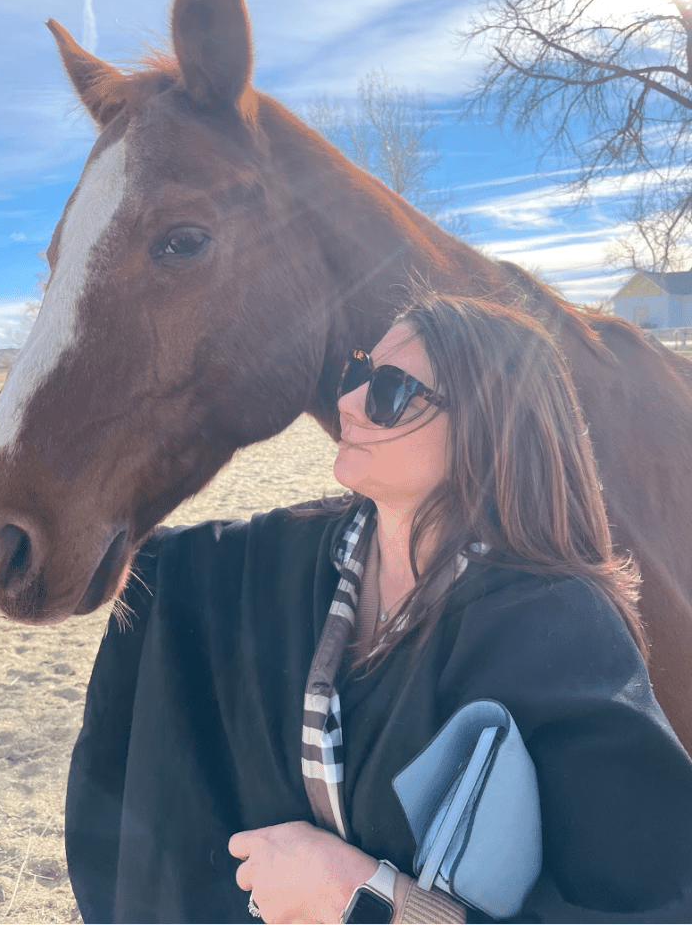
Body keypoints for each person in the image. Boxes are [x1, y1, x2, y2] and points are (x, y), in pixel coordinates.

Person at [65, 295, 692, 925]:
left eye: (391, 389)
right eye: (358, 372)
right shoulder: (290, 553)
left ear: (490, 422)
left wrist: (365, 898)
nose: (347, 403)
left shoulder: (560, 631)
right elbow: (149, 564)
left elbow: (655, 905)